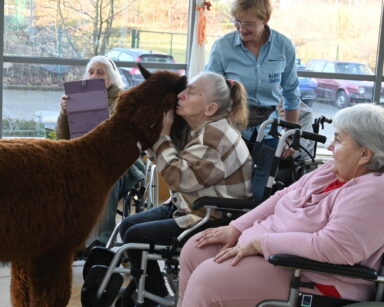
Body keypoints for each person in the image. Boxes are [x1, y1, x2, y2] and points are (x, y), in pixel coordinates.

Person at [177, 103, 384, 307]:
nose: (330, 146)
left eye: (338, 140)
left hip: (315, 278)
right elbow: (283, 195)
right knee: (196, 249)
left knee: (209, 280)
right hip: (276, 258)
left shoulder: (373, 191)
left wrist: (261, 243)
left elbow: (335, 247)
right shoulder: (331, 170)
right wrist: (236, 228)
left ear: (364, 154)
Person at [118, 71, 253, 306]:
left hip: (211, 217)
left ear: (209, 108)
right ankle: (153, 291)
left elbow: (179, 178)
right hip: (191, 205)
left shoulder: (214, 136)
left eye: (191, 92)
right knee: (128, 225)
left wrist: (161, 137)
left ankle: (152, 296)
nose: (180, 95)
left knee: (134, 235)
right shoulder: (204, 128)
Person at [55, 55, 145, 256]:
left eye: (101, 72)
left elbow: (127, 138)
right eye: (91, 71)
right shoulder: (75, 97)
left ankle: (98, 243)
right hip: (82, 161)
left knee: (103, 177)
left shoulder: (124, 99)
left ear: (112, 78)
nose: (94, 75)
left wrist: (99, 110)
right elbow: (63, 136)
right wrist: (64, 113)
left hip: (118, 163)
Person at [205, 0, 300, 150]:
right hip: (230, 132)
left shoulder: (283, 46)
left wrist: (290, 137)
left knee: (268, 172)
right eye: (237, 21)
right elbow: (209, 93)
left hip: (269, 131)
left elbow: (291, 94)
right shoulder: (222, 47)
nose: (241, 29)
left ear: (266, 19)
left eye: (249, 24)